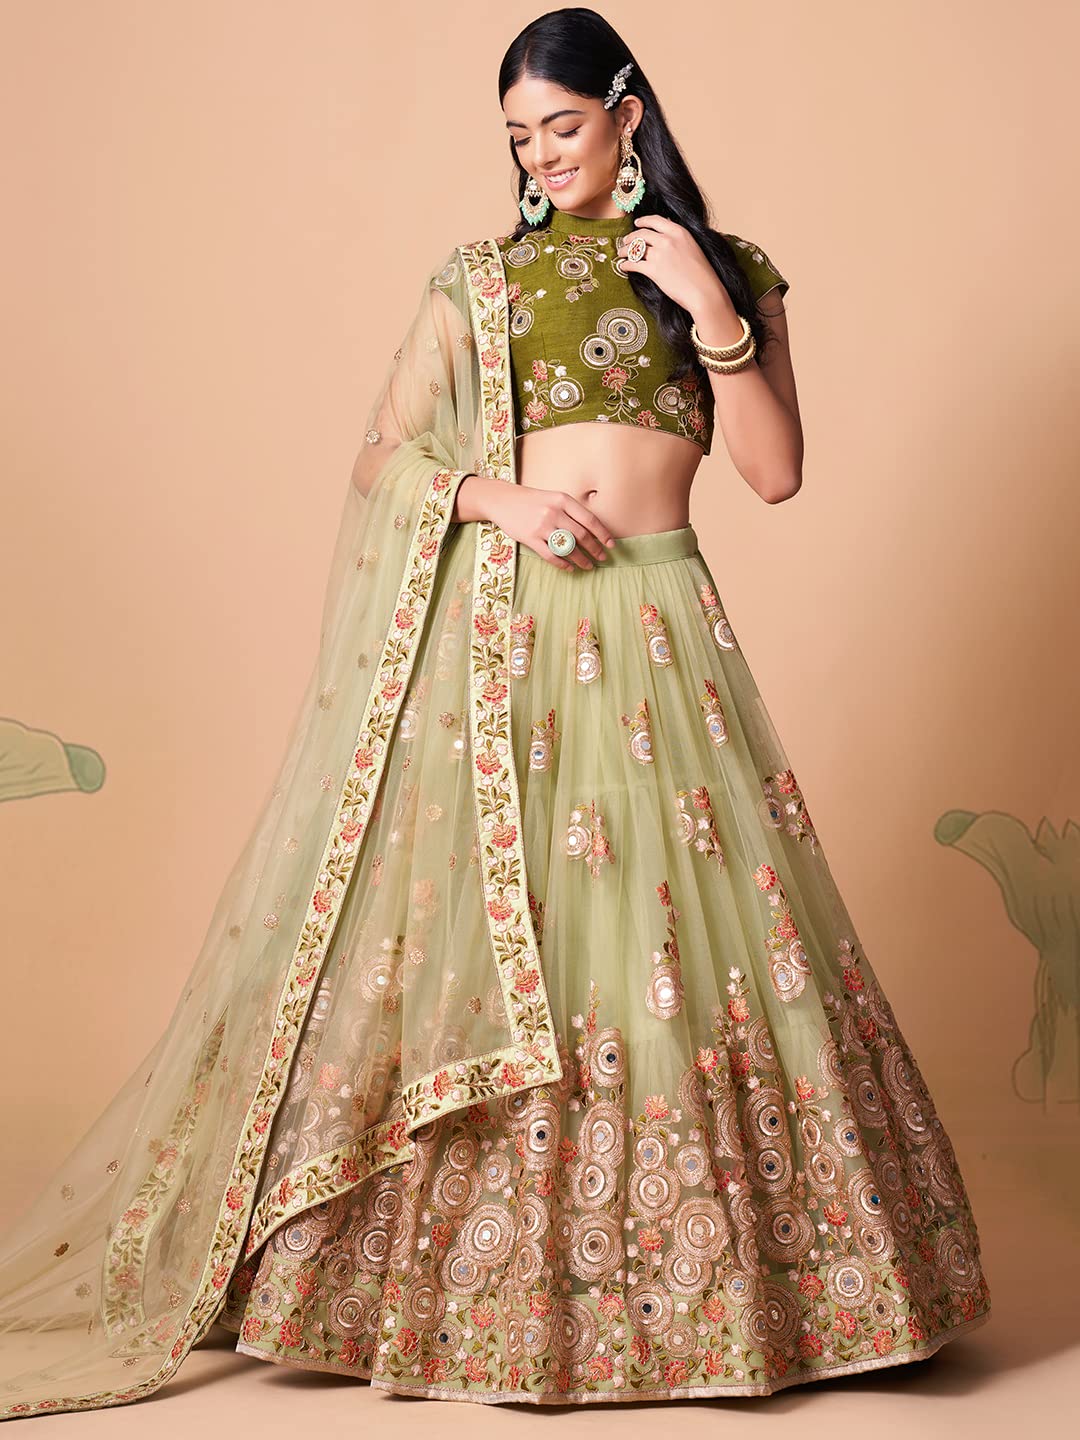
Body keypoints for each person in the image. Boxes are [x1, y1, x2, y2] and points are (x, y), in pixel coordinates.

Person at [0, 6, 991, 1417]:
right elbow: (381, 455)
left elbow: (775, 474)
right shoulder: (481, 281)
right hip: (510, 637)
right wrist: (500, 500)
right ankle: (458, 1290)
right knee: (518, 930)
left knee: (662, 937)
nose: (540, 155)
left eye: (562, 126)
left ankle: (714, 1293)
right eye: (520, 137)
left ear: (628, 114)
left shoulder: (730, 273)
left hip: (662, 634)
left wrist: (709, 307)